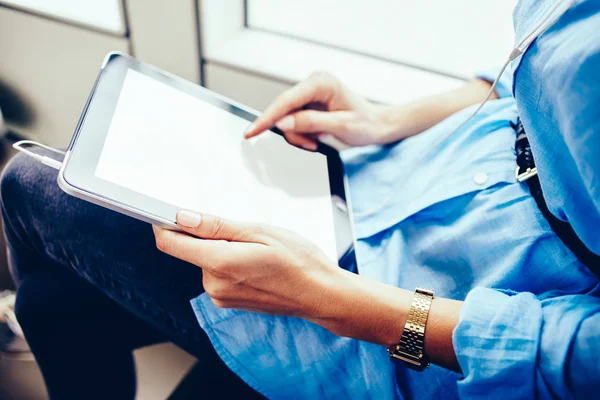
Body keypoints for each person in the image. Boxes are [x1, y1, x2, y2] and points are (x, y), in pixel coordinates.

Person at [2, 0, 599, 398]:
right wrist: (385, 119)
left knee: (29, 188)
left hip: (425, 311)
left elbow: (574, 359)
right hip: (397, 172)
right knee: (51, 299)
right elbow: (531, 68)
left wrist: (332, 301)